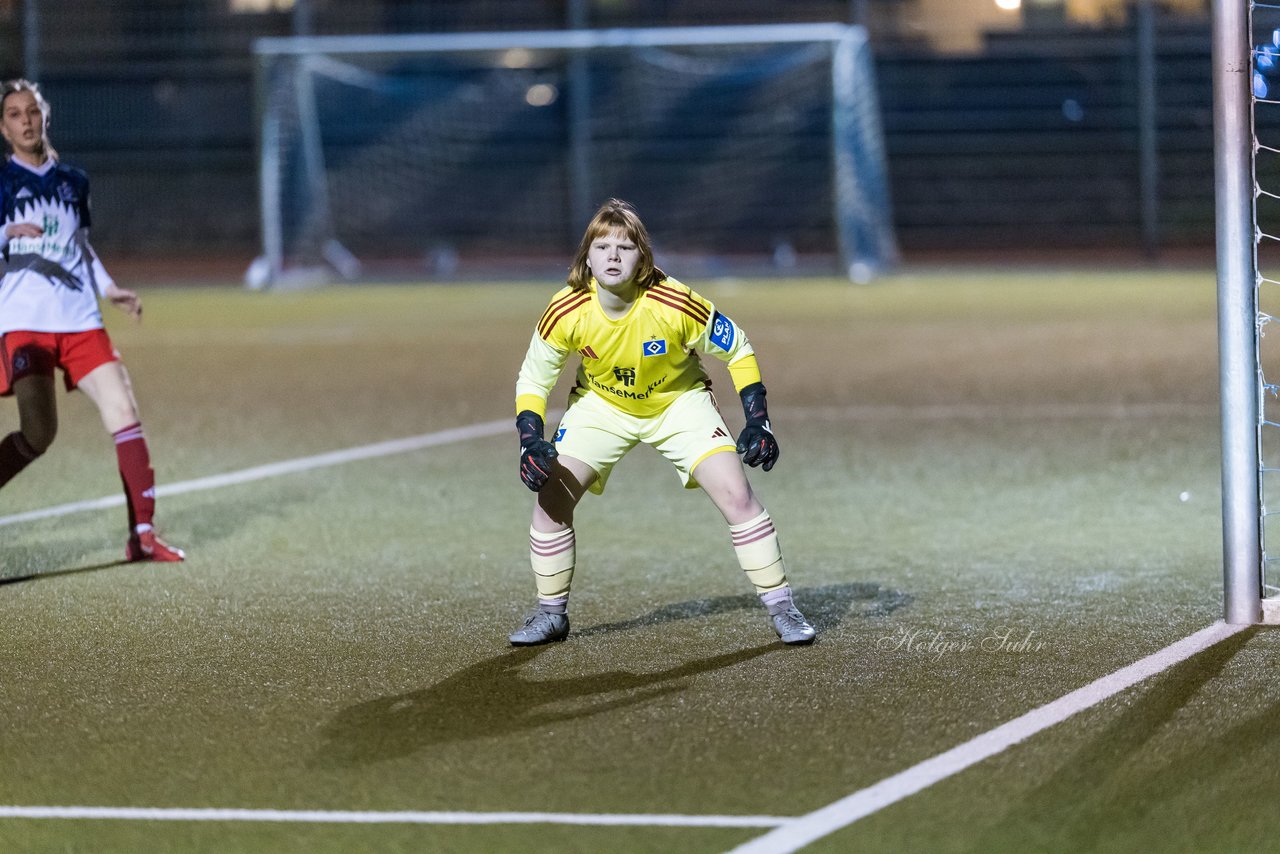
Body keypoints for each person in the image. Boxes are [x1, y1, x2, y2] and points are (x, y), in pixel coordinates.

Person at [509, 198, 813, 646]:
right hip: (602, 406)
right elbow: (534, 378)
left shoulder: (673, 302)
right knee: (550, 500)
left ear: (643, 257)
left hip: (678, 403)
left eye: (625, 247)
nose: (613, 256)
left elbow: (738, 348)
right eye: (603, 246)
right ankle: (550, 614)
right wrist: (529, 440)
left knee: (737, 494)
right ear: (586, 258)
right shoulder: (566, 309)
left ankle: (783, 608)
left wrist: (759, 421)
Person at [0, 79, 183, 562]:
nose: (25, 121)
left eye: (32, 111)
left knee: (123, 410)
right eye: (15, 114)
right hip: (25, 322)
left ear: (45, 116)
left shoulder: (74, 182)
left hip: (80, 319)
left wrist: (108, 287)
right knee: (38, 434)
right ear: (4, 127)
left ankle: (142, 536)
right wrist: (5, 230)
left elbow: (80, 245)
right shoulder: (1, 184)